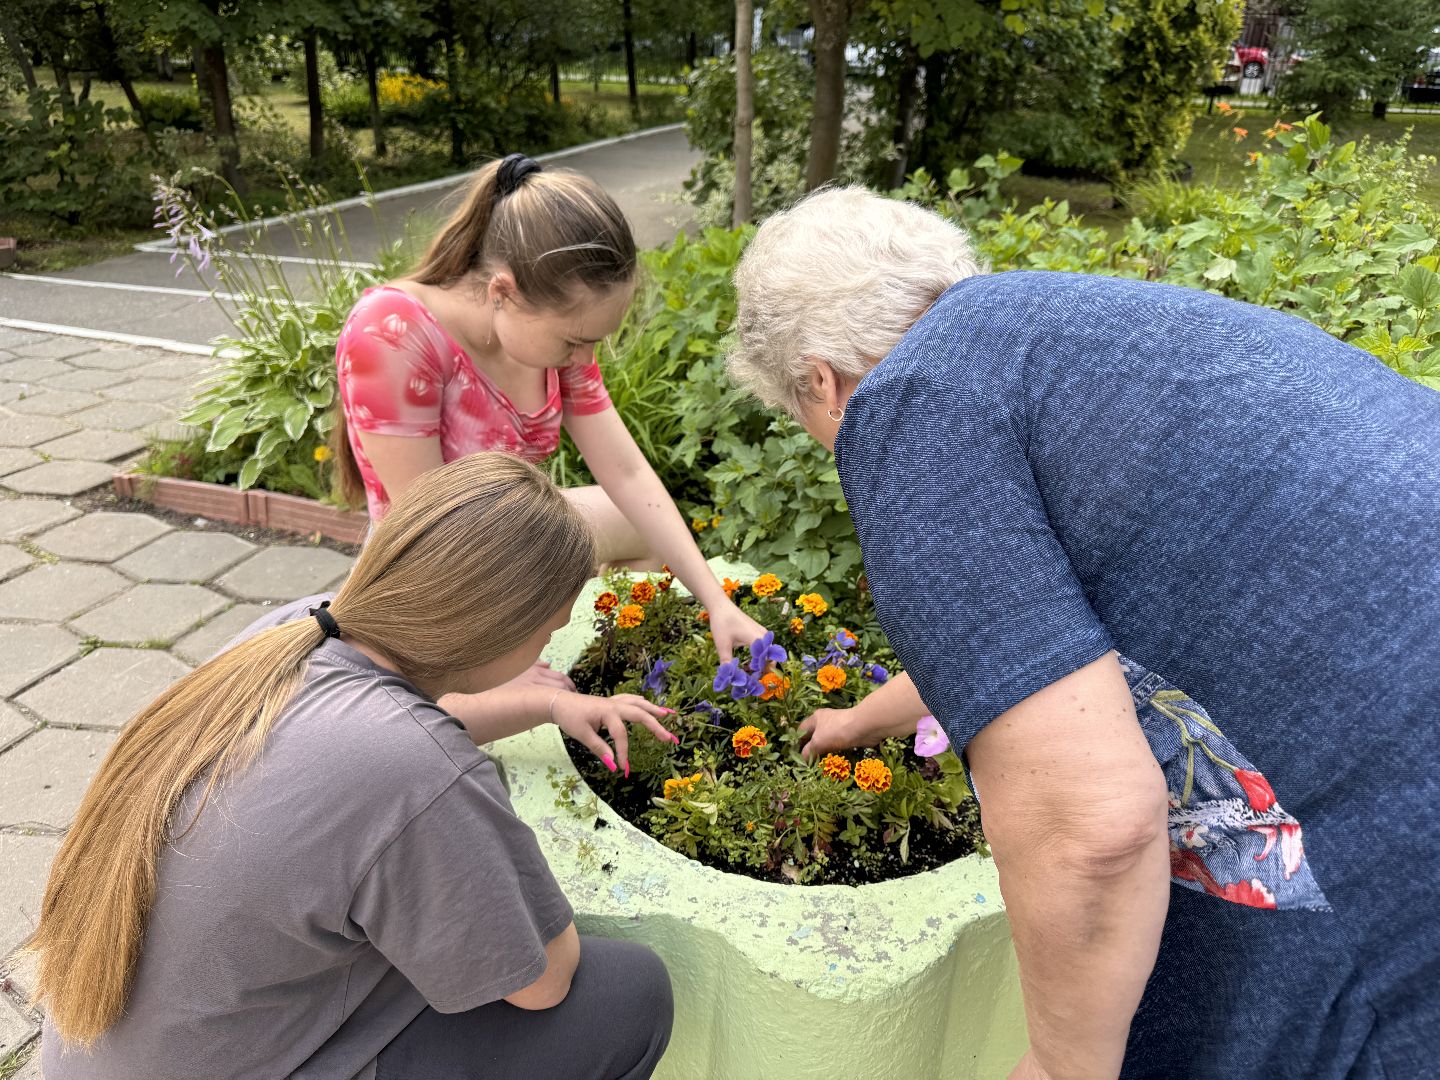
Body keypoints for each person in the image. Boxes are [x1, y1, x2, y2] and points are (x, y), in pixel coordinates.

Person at [728, 187, 1440, 1080]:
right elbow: (1037, 640)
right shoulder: (1068, 334)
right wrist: (856, 721)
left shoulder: (909, 403)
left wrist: (1065, 1063)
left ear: (821, 381)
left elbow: (1093, 824)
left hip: (1395, 864)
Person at [29, 453, 675, 1080]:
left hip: (117, 1046)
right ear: (501, 632)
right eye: (547, 633)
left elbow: (411, 725)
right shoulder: (419, 770)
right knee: (628, 995)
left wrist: (547, 704)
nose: (547, 648)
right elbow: (543, 980)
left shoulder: (302, 630)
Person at [331, 152, 765, 671]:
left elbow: (627, 473)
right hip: (431, 571)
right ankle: (538, 667)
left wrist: (715, 601)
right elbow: (431, 531)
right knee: (478, 711)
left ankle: (582, 657)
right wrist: (517, 652)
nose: (585, 359)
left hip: (509, 534)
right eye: (575, 342)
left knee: (640, 530)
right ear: (503, 292)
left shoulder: (555, 335)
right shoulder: (392, 332)